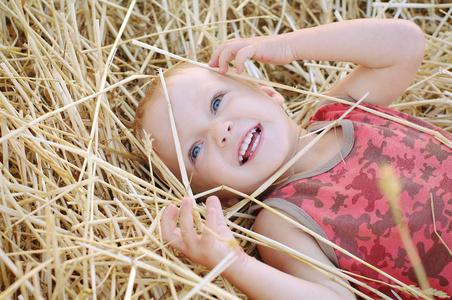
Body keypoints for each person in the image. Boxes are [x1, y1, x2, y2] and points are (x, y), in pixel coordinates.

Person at [133, 18, 452, 299]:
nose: (221, 131)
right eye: (196, 150)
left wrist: (288, 45)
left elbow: (405, 44)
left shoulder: (344, 109)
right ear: (220, 197)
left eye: (217, 103)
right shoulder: (280, 221)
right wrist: (233, 263)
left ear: (266, 90)